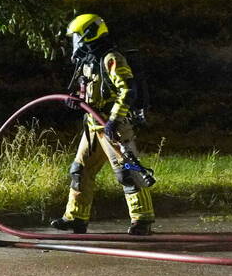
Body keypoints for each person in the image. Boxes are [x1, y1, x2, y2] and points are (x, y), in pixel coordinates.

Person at [50, 14, 155, 235]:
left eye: (78, 37)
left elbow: (128, 90)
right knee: (80, 171)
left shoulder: (111, 58)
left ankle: (142, 220)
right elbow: (88, 90)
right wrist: (76, 100)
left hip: (114, 127)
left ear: (90, 34)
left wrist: (114, 120)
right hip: (93, 127)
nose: (76, 43)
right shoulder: (88, 61)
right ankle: (76, 218)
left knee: (129, 171)